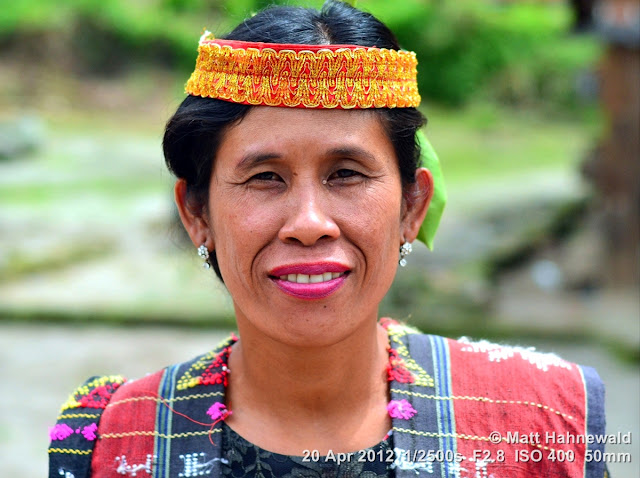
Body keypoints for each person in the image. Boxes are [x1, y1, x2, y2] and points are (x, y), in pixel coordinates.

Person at [48, 2, 607, 477]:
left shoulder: (546, 422)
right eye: (265, 178)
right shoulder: (110, 442)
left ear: (412, 205)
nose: (310, 222)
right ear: (197, 213)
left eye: (346, 174)